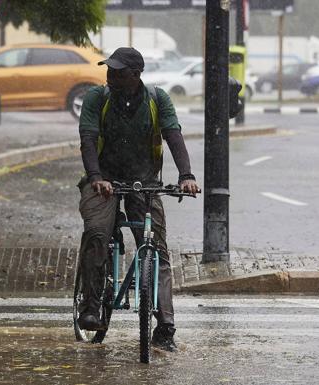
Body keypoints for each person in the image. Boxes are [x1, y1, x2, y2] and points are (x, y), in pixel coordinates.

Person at [76, 47, 200, 352]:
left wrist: (187, 175)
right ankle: (91, 306)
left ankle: (165, 326)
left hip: (143, 183)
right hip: (102, 180)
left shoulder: (157, 100)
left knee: (157, 249)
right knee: (97, 232)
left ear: (136, 75)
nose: (111, 77)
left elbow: (173, 135)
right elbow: (88, 139)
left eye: (118, 73)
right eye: (109, 71)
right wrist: (96, 177)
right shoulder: (97, 98)